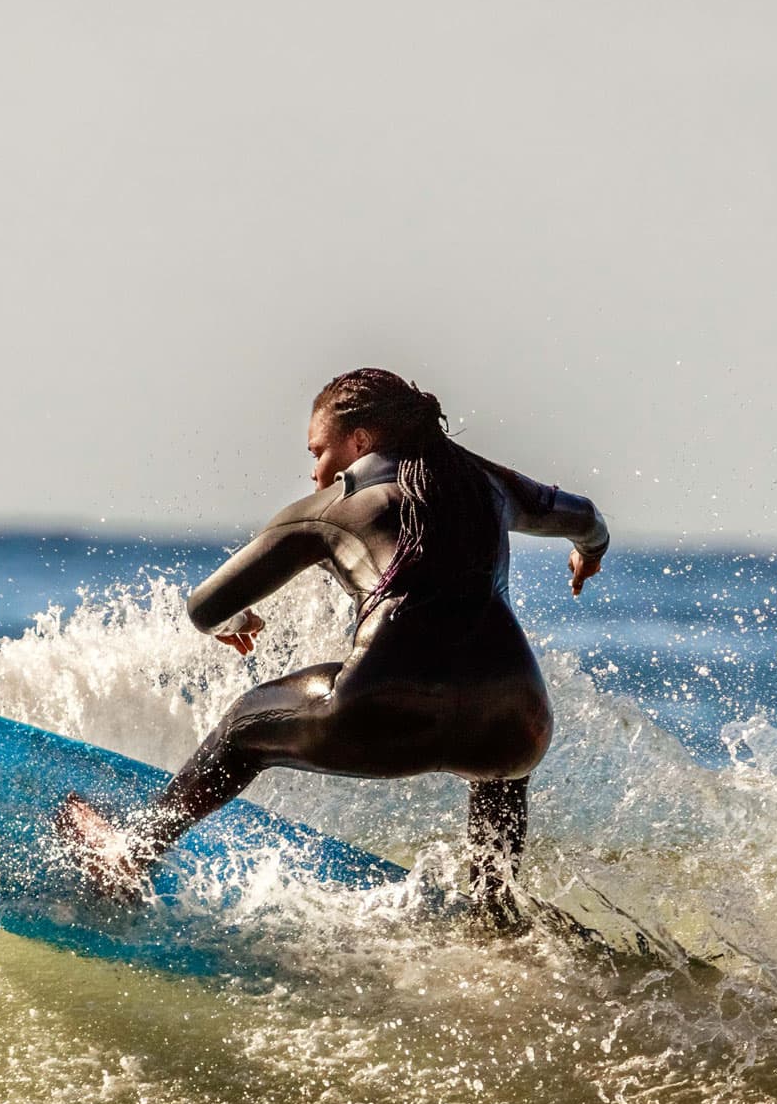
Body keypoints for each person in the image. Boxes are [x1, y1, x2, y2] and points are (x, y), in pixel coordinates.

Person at [57, 367, 609, 924]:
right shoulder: (489, 484)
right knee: (499, 766)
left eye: (318, 450)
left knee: (247, 724)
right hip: (519, 722)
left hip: (380, 710)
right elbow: (586, 518)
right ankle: (499, 917)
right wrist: (589, 553)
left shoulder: (333, 508)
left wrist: (234, 621)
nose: (316, 471)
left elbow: (205, 607)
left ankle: (134, 850)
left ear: (359, 442)